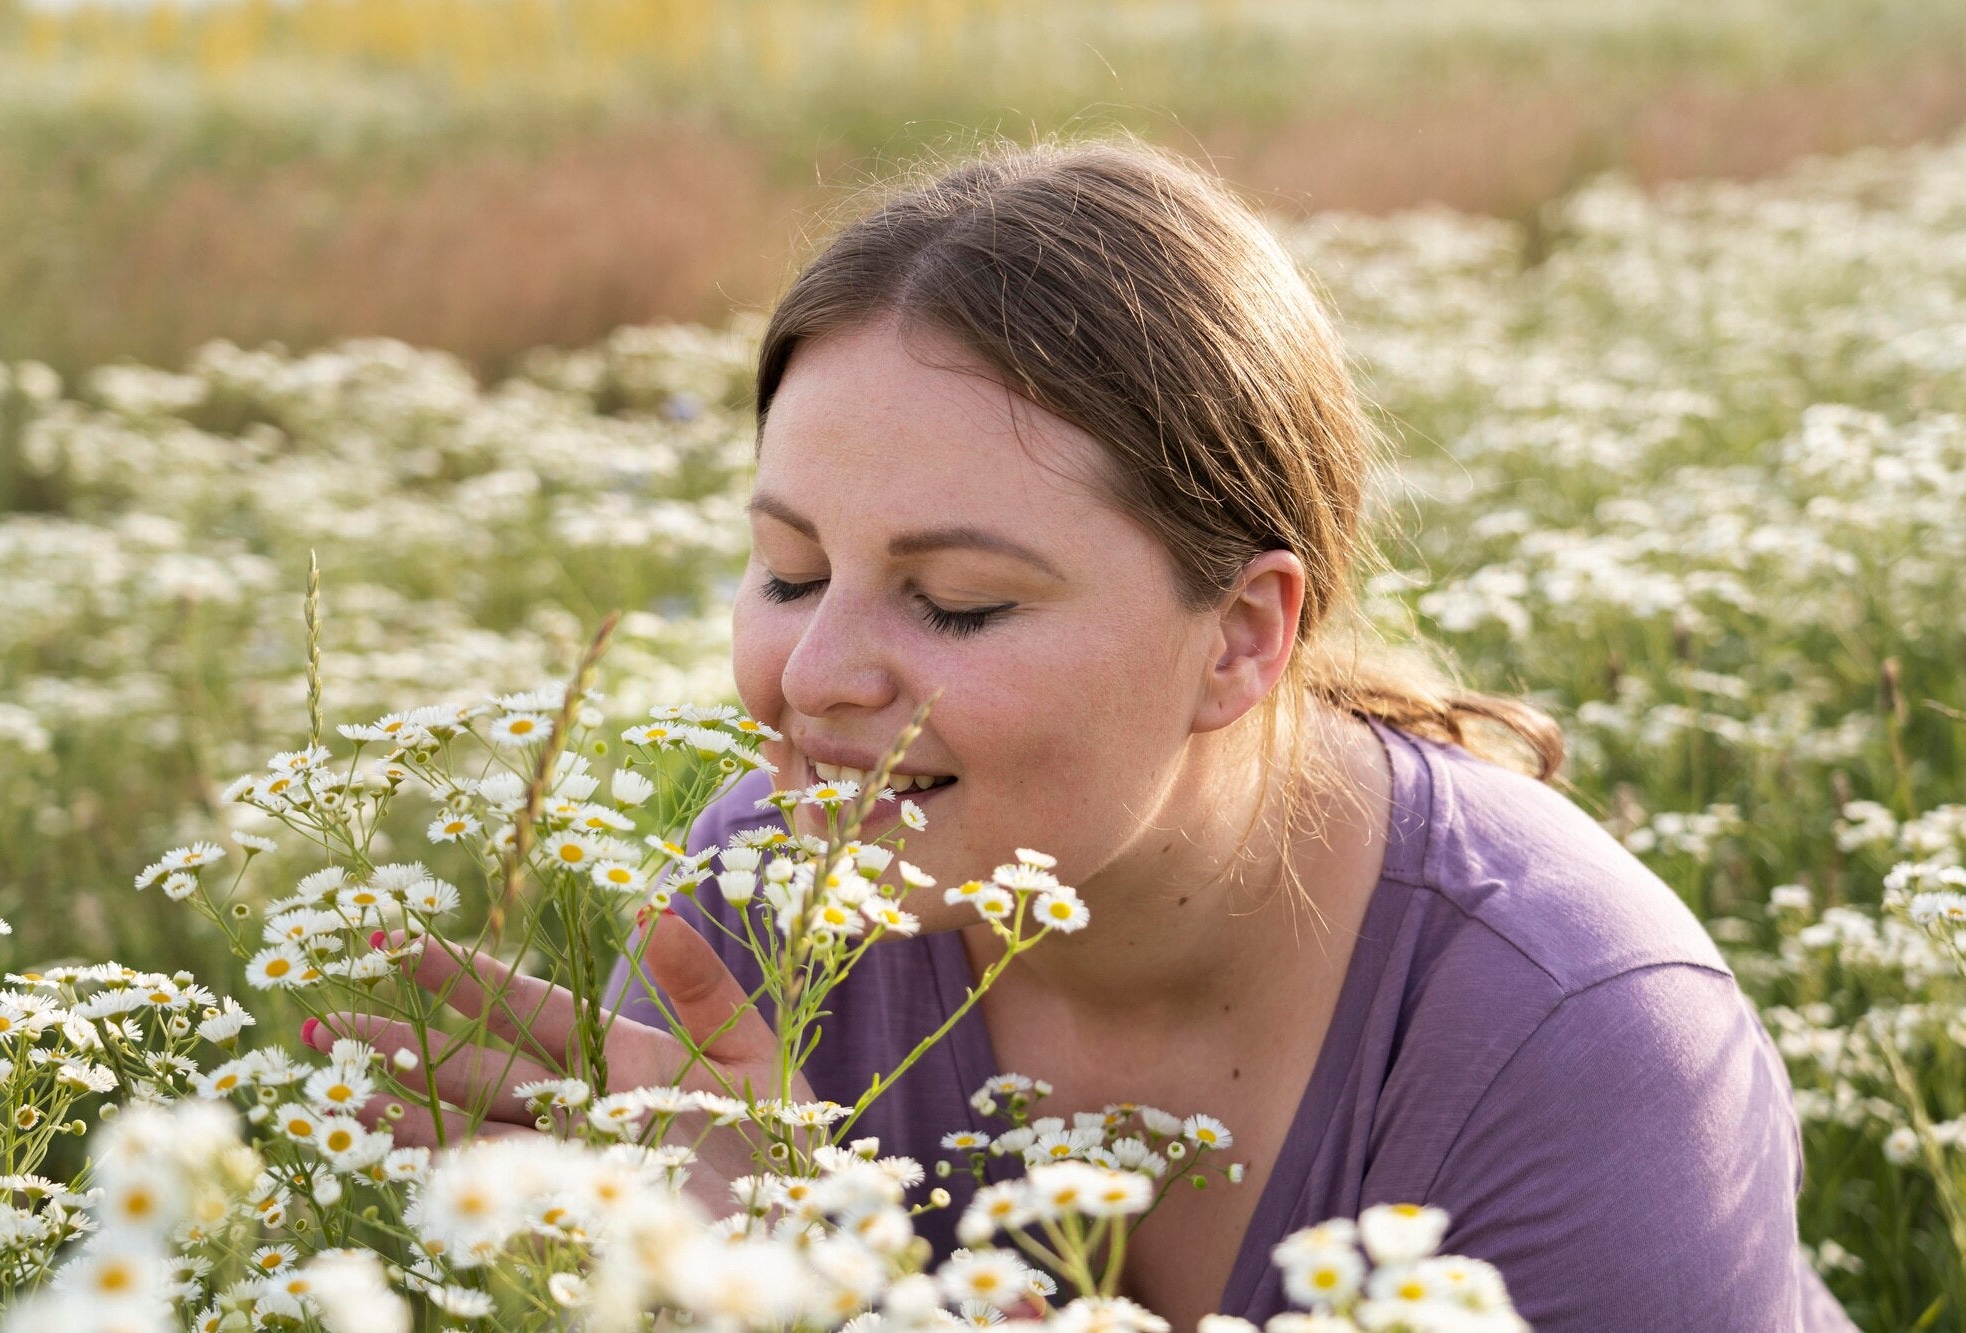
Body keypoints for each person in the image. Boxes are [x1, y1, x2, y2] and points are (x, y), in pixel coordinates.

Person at [317, 135, 1855, 1330]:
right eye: (789, 570)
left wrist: (847, 1288)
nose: (813, 675)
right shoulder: (759, 920)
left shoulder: (1576, 1037)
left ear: (1244, 633)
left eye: (960, 602)